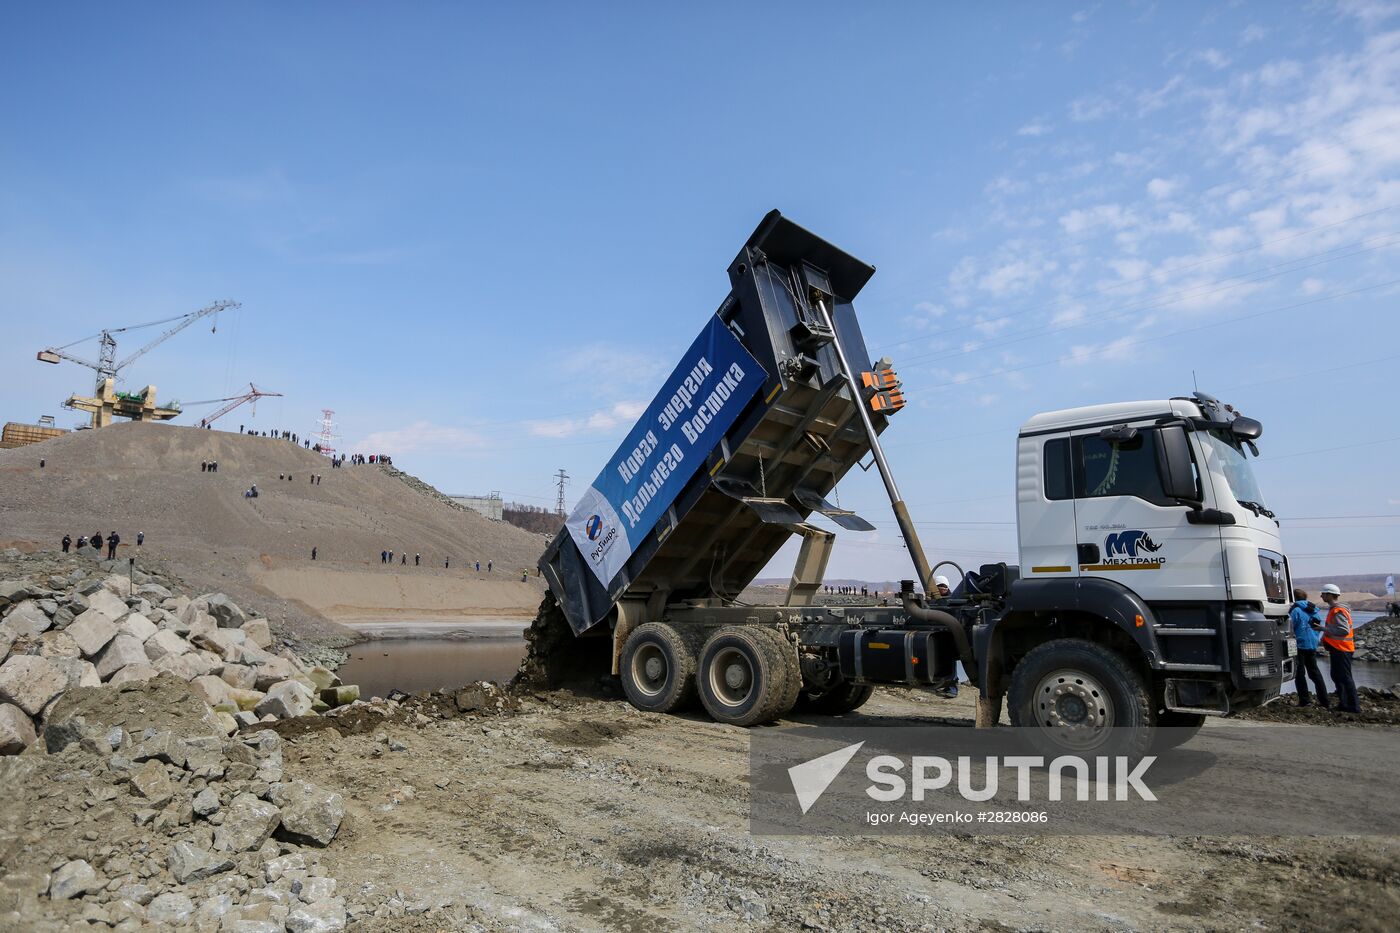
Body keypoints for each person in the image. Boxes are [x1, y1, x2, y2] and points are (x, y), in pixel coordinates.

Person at [1319, 583, 1360, 714]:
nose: (1321, 595)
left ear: (1330, 595)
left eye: (1324, 593)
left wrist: (1323, 629)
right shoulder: (1335, 609)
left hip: (1343, 649)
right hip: (1338, 648)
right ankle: (1344, 703)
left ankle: (1353, 706)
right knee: (1337, 676)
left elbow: (1343, 630)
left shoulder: (1338, 610)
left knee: (1345, 677)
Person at [1288, 588, 1329, 708]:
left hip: (1299, 645)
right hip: (1312, 644)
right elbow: (1316, 626)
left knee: (1299, 674)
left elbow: (1290, 627)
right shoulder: (1315, 610)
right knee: (1315, 673)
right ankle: (1324, 700)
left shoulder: (1295, 610)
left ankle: (1305, 700)